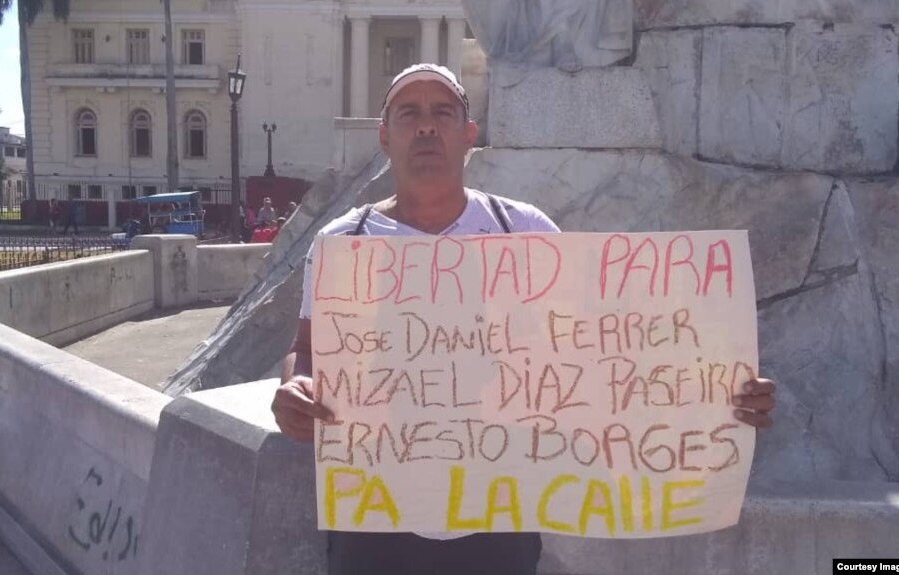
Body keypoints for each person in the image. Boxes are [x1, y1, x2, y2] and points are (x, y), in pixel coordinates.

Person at [271, 63, 777, 575]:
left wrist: (716, 392)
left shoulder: (525, 230)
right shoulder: (343, 242)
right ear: (384, 136)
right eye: (409, 113)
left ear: (470, 134)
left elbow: (603, 353)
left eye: (442, 112)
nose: (426, 125)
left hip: (499, 512)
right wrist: (297, 387)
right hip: (374, 513)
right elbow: (307, 347)